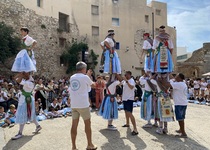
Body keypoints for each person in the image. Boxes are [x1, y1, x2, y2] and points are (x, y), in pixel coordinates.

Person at [69, 61, 97, 150]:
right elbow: (94, 85)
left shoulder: (72, 77)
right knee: (87, 124)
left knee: (74, 125)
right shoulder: (85, 77)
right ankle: (90, 144)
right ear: (83, 69)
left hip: (74, 104)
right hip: (83, 104)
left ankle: (74, 146)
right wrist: (88, 75)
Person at [11, 72, 42, 140]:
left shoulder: (30, 82)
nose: (24, 74)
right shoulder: (27, 80)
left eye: (25, 73)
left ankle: (20, 133)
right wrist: (20, 73)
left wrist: (21, 74)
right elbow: (15, 78)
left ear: (28, 74)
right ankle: (38, 126)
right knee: (30, 114)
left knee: (23, 114)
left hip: (26, 100)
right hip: (24, 99)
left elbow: (18, 80)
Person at [162, 73, 188, 138]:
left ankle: (183, 133)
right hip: (183, 102)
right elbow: (172, 80)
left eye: (176, 76)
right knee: (181, 117)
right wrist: (169, 74)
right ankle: (181, 130)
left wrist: (162, 79)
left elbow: (168, 84)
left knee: (180, 118)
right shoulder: (182, 83)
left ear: (179, 78)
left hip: (179, 103)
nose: (175, 77)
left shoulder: (178, 84)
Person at [122, 71, 138, 135]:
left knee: (130, 113)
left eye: (126, 75)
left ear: (129, 75)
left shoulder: (131, 81)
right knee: (126, 111)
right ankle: (127, 123)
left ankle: (135, 129)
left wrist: (126, 81)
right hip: (125, 98)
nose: (125, 76)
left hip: (129, 99)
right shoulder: (124, 81)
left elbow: (131, 87)